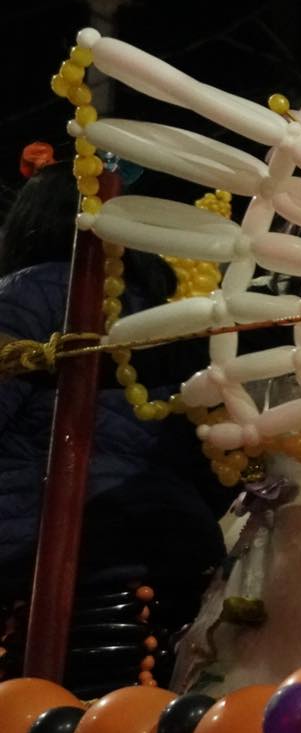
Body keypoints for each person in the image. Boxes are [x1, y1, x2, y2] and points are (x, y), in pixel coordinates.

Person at [0, 160, 228, 691]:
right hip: (170, 560)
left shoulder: (25, 293)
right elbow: (208, 460)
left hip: (48, 564)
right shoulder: (166, 321)